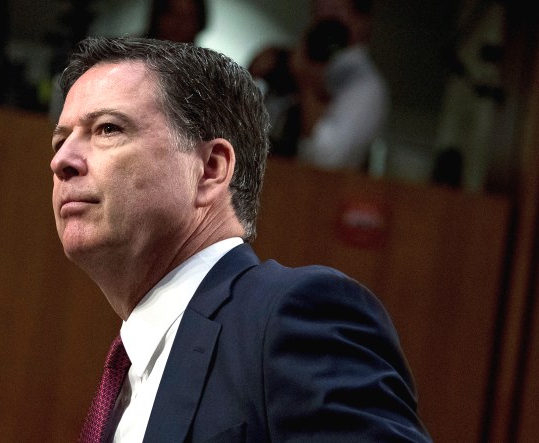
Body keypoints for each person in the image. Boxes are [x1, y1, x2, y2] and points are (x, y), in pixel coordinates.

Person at [50, 36, 430, 442]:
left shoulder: (293, 317)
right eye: (60, 141)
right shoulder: (128, 370)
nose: (61, 161)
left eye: (108, 129)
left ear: (211, 170)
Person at [290, 0, 389, 171]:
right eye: (318, 9)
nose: (323, 18)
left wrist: (306, 82)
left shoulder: (366, 85)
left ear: (361, 21)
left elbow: (326, 157)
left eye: (335, 10)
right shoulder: (301, 61)